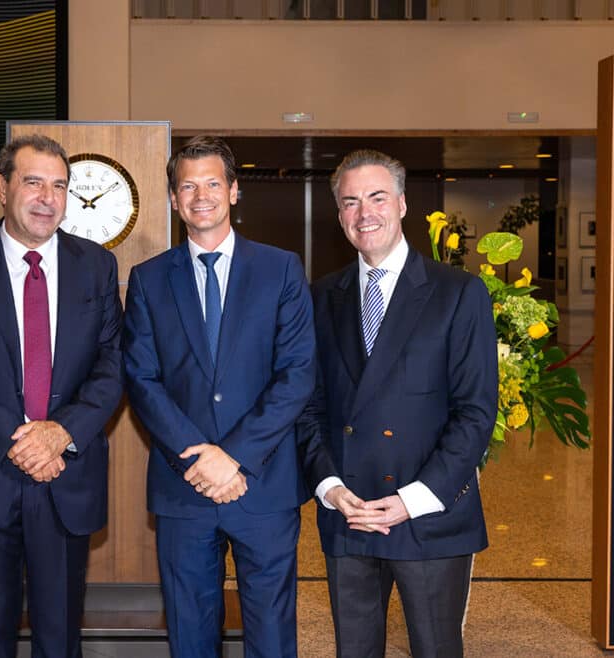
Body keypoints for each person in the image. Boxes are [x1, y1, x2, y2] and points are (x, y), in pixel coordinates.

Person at [0, 133, 123, 658]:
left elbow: (112, 364)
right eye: (33, 182)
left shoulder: (96, 266)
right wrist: (20, 441)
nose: (47, 197)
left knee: (59, 637)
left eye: (60, 186)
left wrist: (59, 433)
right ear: (1, 186)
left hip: (65, 474)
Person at [123, 135, 316, 657]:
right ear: (172, 198)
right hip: (183, 486)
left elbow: (297, 373)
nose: (200, 194)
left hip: (264, 484)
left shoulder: (281, 270)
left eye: (212, 183)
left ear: (233, 192)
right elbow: (142, 379)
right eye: (188, 185)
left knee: (272, 634)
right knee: (190, 631)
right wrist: (200, 459)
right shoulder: (148, 280)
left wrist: (234, 458)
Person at [299, 149, 498, 657]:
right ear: (339, 214)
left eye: (377, 197)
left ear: (403, 203)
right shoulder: (320, 297)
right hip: (350, 512)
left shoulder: (458, 293)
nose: (365, 212)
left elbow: (475, 413)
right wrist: (329, 487)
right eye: (350, 201)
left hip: (428, 515)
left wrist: (412, 499)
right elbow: (308, 408)